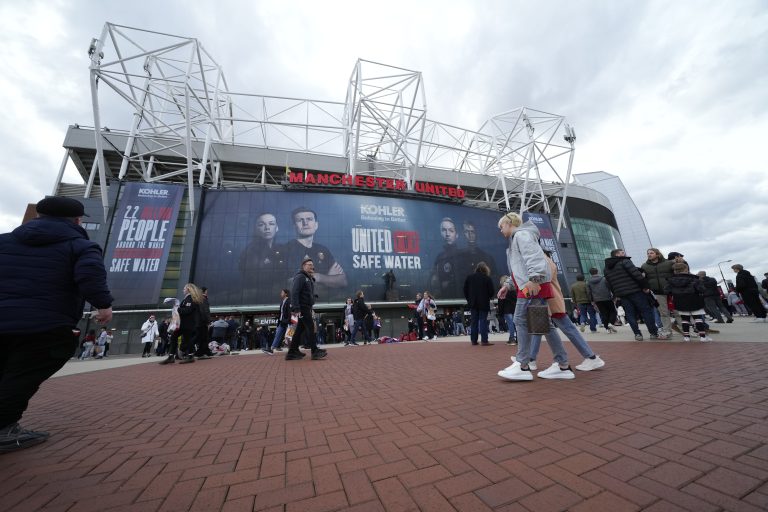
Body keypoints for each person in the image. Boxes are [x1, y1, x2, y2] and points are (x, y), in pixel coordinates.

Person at [0, 196, 113, 452]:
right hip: (45, 324)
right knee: (21, 376)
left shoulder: (4, 241)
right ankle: (4, 426)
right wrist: (103, 306)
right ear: (77, 220)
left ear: (39, 216)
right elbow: (90, 277)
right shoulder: (80, 246)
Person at [495, 212, 574, 381]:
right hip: (532, 285)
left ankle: (522, 365)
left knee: (519, 320)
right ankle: (562, 364)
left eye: (501, 226)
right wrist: (508, 285)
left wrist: (534, 280)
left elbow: (534, 259)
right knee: (543, 325)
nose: (500, 230)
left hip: (531, 287)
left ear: (509, 223)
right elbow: (520, 267)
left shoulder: (521, 235)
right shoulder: (521, 236)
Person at [521, 252, 606, 371]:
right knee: (540, 329)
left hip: (550, 300)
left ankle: (590, 357)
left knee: (563, 328)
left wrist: (524, 292)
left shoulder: (542, 260)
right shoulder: (543, 260)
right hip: (548, 300)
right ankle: (532, 359)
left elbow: (542, 279)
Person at [604, 249, 669, 341]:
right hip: (635, 291)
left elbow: (609, 283)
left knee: (630, 314)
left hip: (622, 294)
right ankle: (654, 333)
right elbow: (636, 274)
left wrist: (616, 294)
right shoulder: (625, 261)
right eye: (622, 253)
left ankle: (637, 334)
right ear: (617, 254)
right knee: (646, 311)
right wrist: (645, 286)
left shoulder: (606, 268)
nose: (624, 254)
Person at [284, 207, 347, 290]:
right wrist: (328, 279)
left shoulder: (323, 249)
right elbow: (292, 285)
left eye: (309, 219)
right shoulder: (287, 249)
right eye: (300, 220)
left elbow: (342, 281)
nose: (305, 223)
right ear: (294, 226)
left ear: (316, 225)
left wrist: (318, 277)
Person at [286, 258, 328, 360]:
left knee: (300, 330)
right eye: (309, 264)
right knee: (310, 327)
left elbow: (305, 293)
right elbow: (295, 292)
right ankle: (314, 351)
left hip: (306, 307)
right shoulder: (300, 277)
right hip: (302, 307)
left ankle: (292, 352)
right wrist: (296, 308)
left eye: (312, 265)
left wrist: (313, 297)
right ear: (303, 266)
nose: (312, 266)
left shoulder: (307, 278)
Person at [665, 262, 711, 342]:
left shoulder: (671, 280)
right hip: (694, 300)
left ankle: (686, 337)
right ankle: (703, 337)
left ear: (675, 271)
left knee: (685, 320)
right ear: (686, 269)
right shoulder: (694, 278)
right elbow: (702, 289)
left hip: (679, 300)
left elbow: (667, 291)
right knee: (698, 319)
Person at [640, 248, 676, 337]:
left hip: (672, 291)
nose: (649, 254)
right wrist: (646, 287)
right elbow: (644, 279)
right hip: (657, 292)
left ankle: (685, 330)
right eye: (648, 253)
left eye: (651, 253)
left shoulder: (669, 263)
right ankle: (668, 331)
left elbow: (676, 274)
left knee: (677, 311)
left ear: (657, 254)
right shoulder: (644, 266)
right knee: (663, 313)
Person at [463, 261, 496, 346]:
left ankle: (474, 340)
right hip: (484, 303)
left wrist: (469, 299)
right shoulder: (487, 278)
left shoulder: (469, 277)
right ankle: (484, 340)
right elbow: (491, 292)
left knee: (474, 321)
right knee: (483, 321)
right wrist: (487, 296)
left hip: (473, 303)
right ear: (485, 268)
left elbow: (465, 290)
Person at [430, 218, 464, 298]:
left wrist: (448, 283)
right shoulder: (438, 257)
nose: (447, 234)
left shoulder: (463, 256)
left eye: (451, 230)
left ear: (457, 235)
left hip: (460, 299)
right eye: (444, 230)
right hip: (443, 298)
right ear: (440, 233)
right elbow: (434, 280)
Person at [175, 283, 206, 364]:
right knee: (187, 339)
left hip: (190, 323)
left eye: (184, 288)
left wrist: (178, 309)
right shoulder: (190, 299)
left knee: (187, 339)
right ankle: (185, 354)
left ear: (188, 289)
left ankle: (184, 353)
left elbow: (188, 311)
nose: (183, 290)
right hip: (190, 323)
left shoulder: (190, 299)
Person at [586, 267, 617, 333]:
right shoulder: (604, 279)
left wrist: (591, 300)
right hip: (607, 298)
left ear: (590, 273)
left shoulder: (588, 282)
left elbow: (589, 292)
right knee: (612, 311)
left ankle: (607, 329)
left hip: (597, 300)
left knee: (604, 313)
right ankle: (611, 323)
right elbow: (610, 287)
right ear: (597, 272)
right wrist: (614, 296)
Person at [497, 275, 517, 345]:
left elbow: (501, 302)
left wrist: (500, 312)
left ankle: (512, 339)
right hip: (514, 309)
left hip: (506, 310)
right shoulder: (514, 289)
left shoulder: (502, 289)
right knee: (515, 324)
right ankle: (517, 339)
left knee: (510, 324)